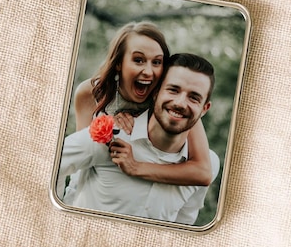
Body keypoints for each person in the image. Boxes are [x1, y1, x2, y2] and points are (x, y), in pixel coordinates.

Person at [58, 54, 220, 224]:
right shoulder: (111, 136)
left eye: (194, 97)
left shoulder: (210, 164)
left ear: (205, 109)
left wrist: (136, 167)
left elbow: (183, 221)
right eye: (173, 90)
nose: (180, 103)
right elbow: (51, 164)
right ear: (155, 92)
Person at [71, 22, 213, 187]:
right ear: (119, 63)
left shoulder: (172, 103)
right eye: (138, 60)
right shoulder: (90, 92)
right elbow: (81, 157)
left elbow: (203, 171)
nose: (148, 71)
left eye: (157, 62)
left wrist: (136, 167)